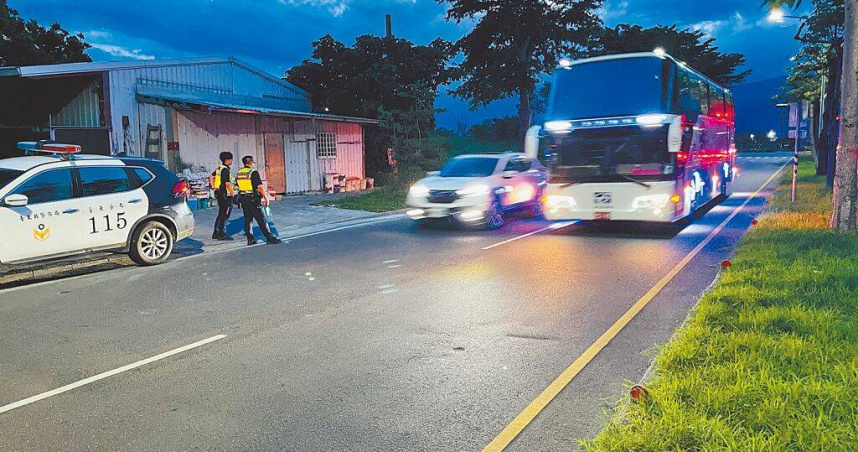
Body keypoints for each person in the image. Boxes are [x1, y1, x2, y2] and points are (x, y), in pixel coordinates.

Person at [235, 156, 282, 245]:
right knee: (261, 219)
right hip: (253, 198)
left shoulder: (239, 173)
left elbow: (236, 185)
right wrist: (265, 197)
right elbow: (259, 187)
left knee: (248, 219)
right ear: (250, 162)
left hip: (243, 198)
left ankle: (250, 239)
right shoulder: (253, 172)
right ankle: (269, 237)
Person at [209, 152, 236, 241]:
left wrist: (213, 187)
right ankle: (222, 233)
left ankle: (216, 233)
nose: (232, 161)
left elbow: (211, 176)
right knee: (225, 214)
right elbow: (227, 183)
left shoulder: (219, 168)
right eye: (231, 159)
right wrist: (233, 193)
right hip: (225, 195)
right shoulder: (225, 170)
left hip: (219, 193)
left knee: (221, 213)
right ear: (227, 160)